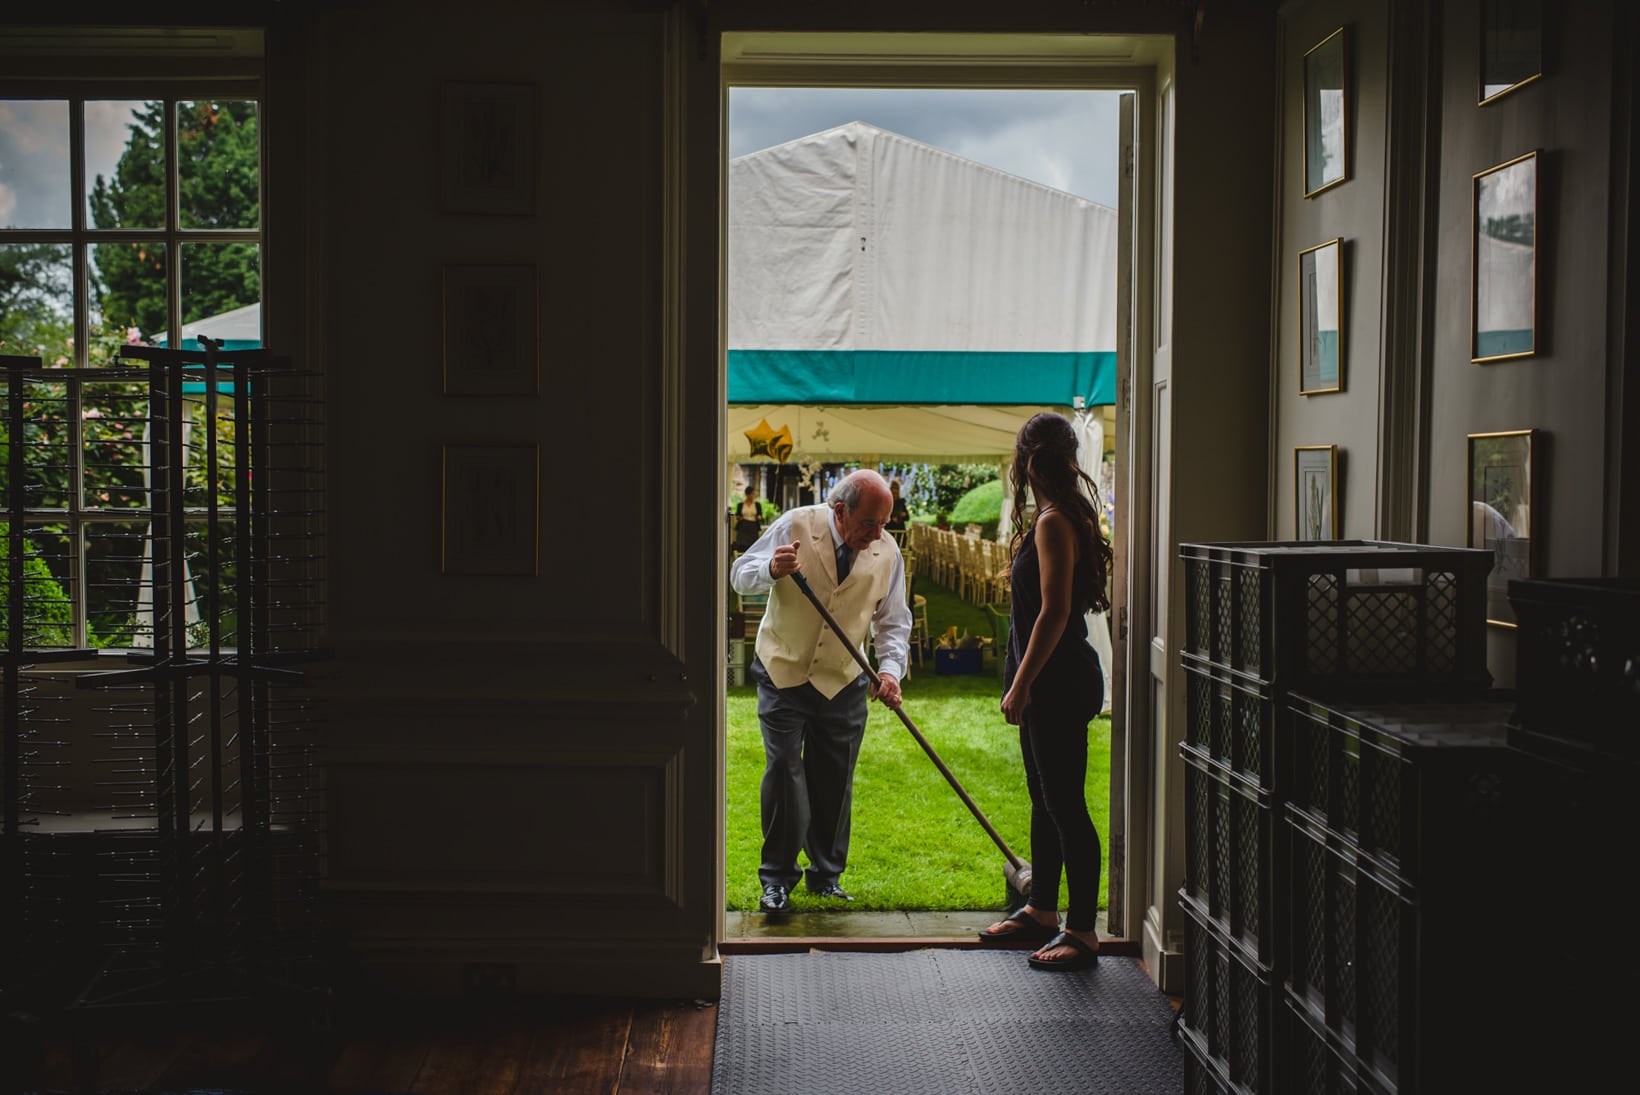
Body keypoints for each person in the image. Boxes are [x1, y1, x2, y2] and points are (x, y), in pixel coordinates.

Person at [729, 469, 911, 913]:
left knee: (834, 779)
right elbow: (740, 573)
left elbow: (893, 621)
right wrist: (772, 568)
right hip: (783, 673)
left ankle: (826, 876)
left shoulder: (887, 551)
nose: (878, 533)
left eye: (884, 523)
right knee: (787, 773)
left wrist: (889, 672)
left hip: (844, 679)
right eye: (869, 522)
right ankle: (776, 879)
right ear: (839, 510)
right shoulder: (795, 524)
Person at [978, 412, 1112, 971]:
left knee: (1066, 806)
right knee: (1045, 801)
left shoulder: (1055, 522)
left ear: (1029, 460)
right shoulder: (1056, 516)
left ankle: (1083, 932)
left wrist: (1022, 683)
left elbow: (1055, 613)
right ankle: (1041, 910)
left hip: (1058, 681)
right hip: (1048, 681)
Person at [732, 484, 763, 553]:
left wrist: (759, 517)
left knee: (753, 545)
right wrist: (739, 517)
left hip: (753, 526)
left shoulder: (757, 505)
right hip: (743, 526)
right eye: (752, 494)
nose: (753, 496)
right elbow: (738, 515)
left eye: (753, 494)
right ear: (747, 494)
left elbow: (760, 515)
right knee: (742, 545)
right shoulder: (740, 505)